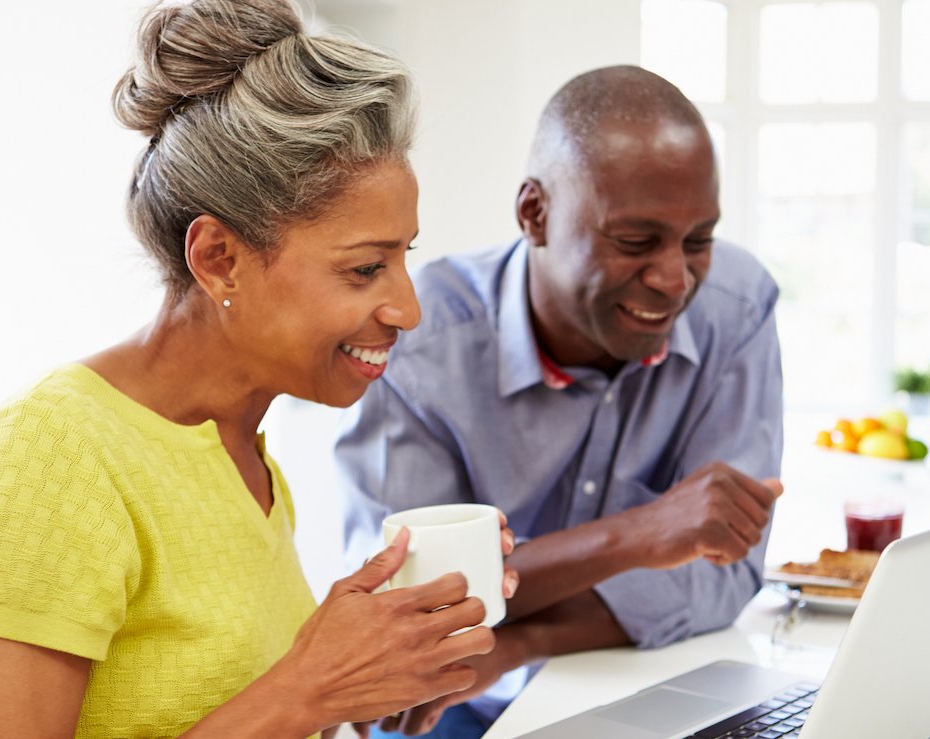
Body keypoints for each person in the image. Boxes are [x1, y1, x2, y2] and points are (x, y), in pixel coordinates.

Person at [0, 1, 516, 737]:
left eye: (403, 258)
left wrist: (367, 686)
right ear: (218, 259)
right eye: (365, 268)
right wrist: (309, 688)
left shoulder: (244, 459)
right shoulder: (49, 460)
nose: (407, 308)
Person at [335, 65, 784, 738]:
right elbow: (408, 609)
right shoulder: (422, 344)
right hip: (456, 704)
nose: (673, 278)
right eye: (635, 241)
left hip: (650, 686)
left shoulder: (738, 307)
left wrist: (514, 642)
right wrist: (638, 536)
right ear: (534, 214)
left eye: (699, 242)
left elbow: (722, 575)